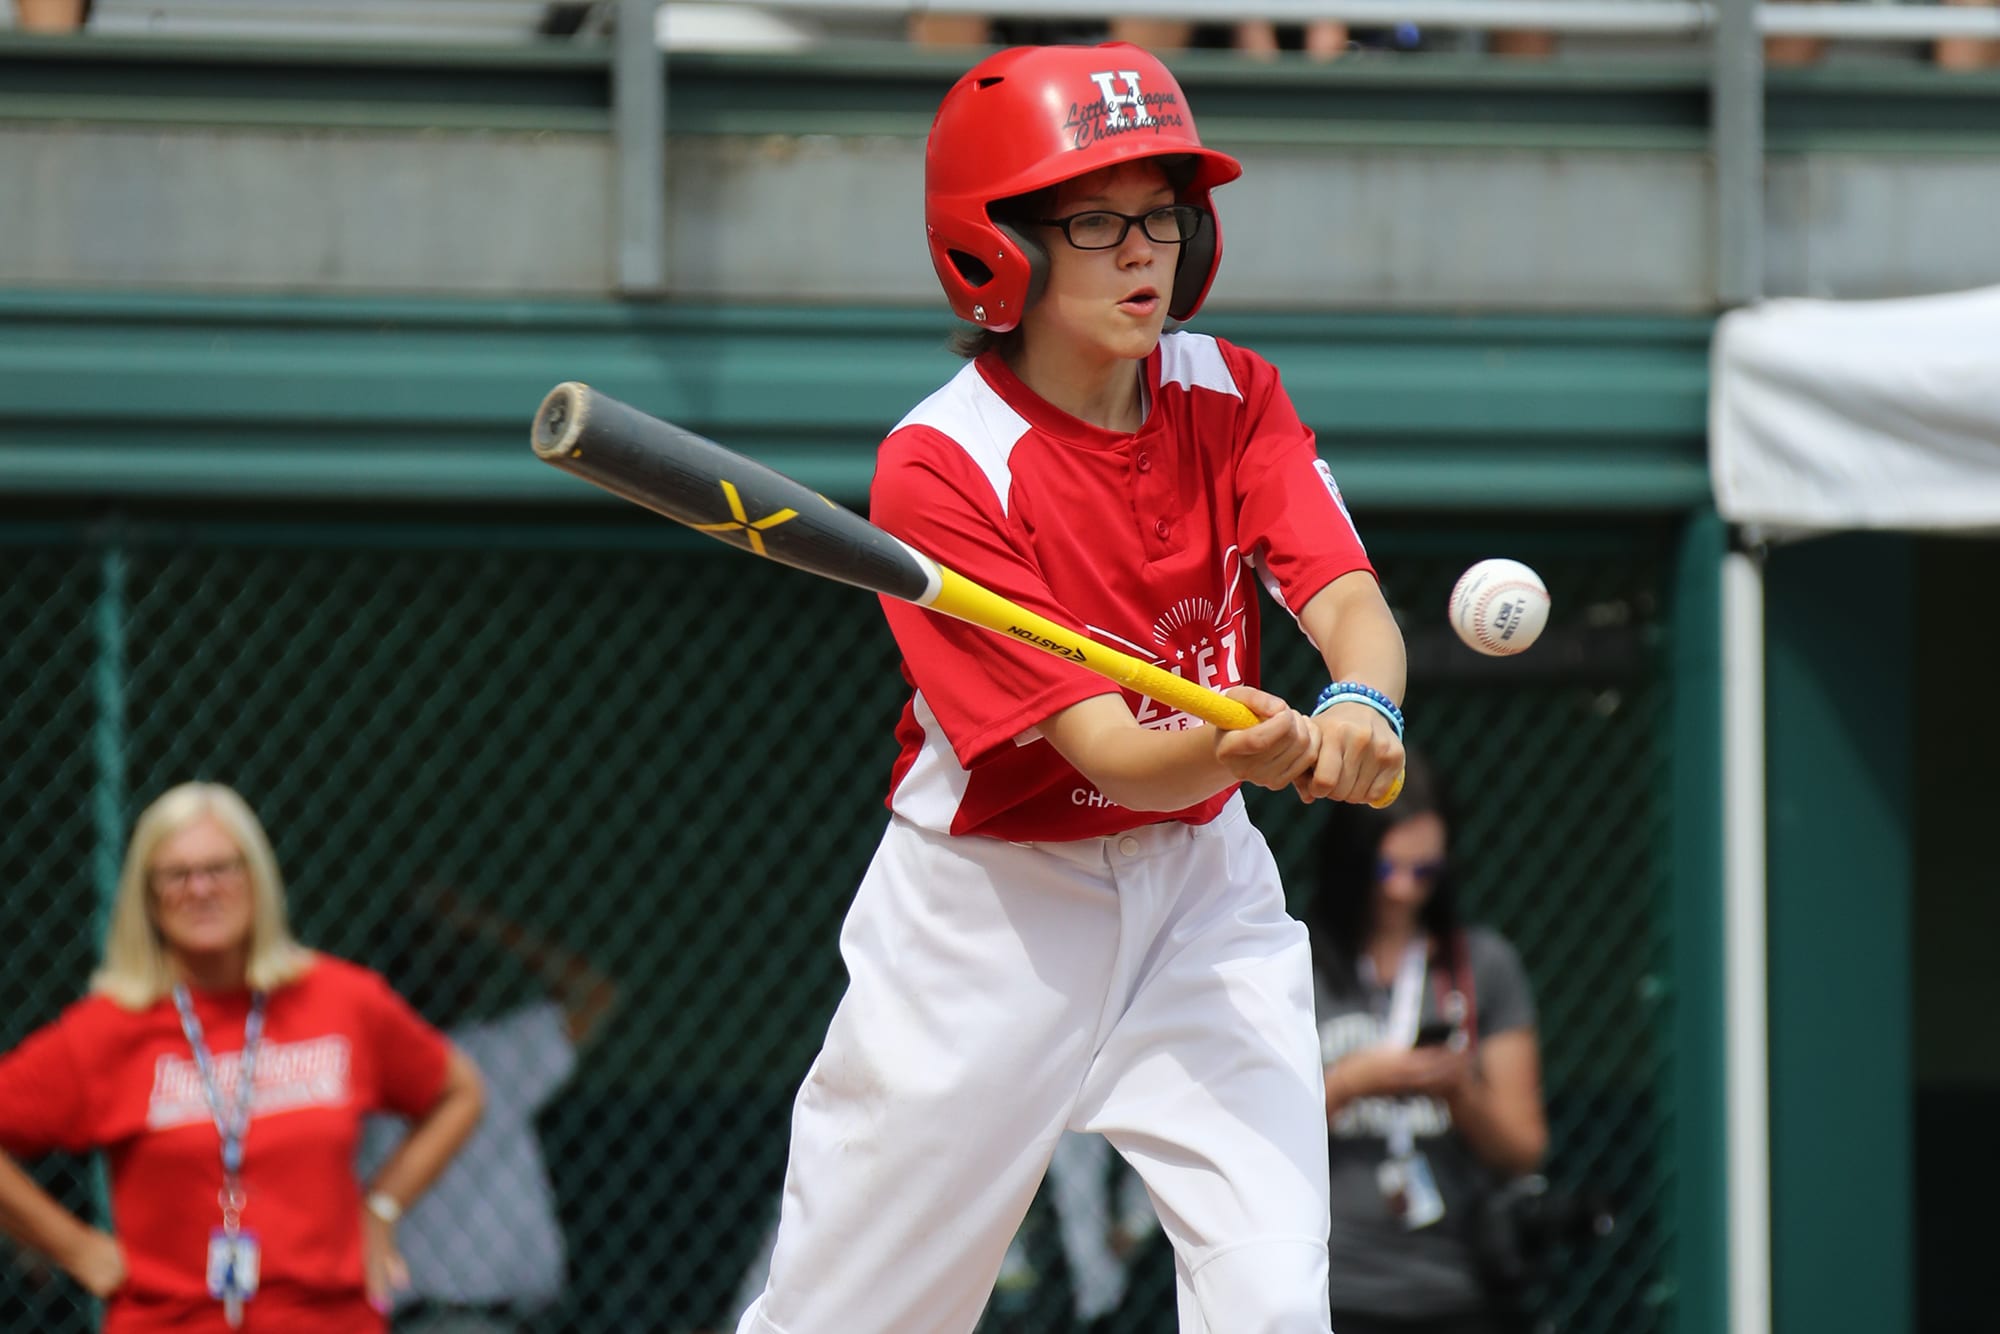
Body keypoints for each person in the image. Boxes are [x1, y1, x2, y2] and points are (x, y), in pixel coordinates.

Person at [733, 41, 1407, 1334]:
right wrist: (1243, 747)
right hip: (990, 920)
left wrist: (1359, 706)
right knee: (856, 1314)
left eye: (1160, 214)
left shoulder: (1229, 387)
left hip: (1200, 892)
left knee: (1272, 1299)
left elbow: (1346, 603)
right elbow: (1106, 748)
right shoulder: (942, 463)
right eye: (1094, 220)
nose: (1143, 250)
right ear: (1000, 248)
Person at [0, 781, 484, 1333]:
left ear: (257, 879)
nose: (201, 889)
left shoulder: (344, 1001)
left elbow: (459, 1092)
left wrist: (384, 1207)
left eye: (222, 868)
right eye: (176, 875)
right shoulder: (108, 1030)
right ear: (149, 899)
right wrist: (75, 1247)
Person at [1308, 752, 1548, 1334]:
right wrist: (1348, 1084)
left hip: (1454, 1281)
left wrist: (1458, 1089)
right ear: (1354, 862)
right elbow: (1253, 1135)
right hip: (1331, 1282)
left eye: (1425, 873)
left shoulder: (1481, 965)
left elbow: (1523, 1149)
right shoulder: (1296, 963)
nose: (1404, 892)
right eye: (1387, 870)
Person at [358, 889, 618, 1333]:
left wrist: (472, 922)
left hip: (470, 1318)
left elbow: (597, 997)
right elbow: (595, 995)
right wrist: (480, 923)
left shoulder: (485, 1054)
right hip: (439, 1318)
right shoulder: (485, 1058)